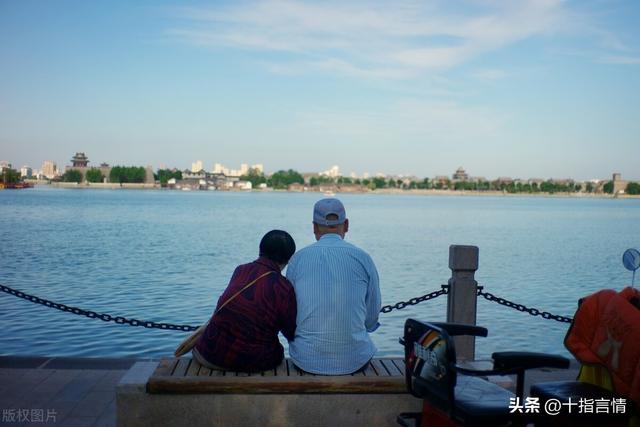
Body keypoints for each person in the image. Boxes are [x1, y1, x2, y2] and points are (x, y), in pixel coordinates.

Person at [286, 198, 381, 375]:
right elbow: (372, 316)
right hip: (355, 359)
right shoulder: (363, 258)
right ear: (346, 225)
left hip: (305, 359)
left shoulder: (297, 259)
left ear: (314, 227)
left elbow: (289, 312)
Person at [193, 230, 297, 372]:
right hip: (250, 362)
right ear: (289, 259)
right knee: (277, 351)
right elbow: (290, 332)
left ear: (260, 250)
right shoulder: (283, 287)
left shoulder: (240, 270)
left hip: (207, 354)